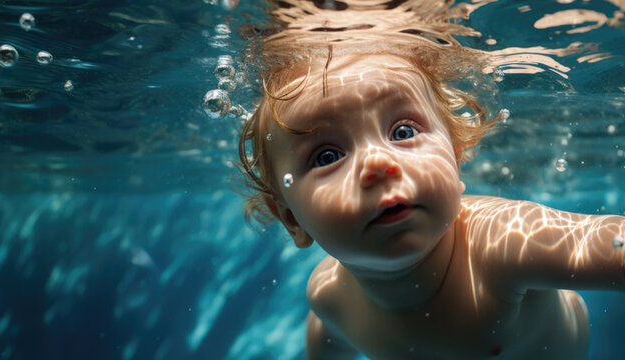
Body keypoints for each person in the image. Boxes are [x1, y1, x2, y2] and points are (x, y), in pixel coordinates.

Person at [237, 1, 625, 359]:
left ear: (455, 157)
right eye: (327, 156)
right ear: (291, 218)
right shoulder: (329, 296)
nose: (377, 163)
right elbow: (327, 344)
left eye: (404, 132)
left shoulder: (502, 244)